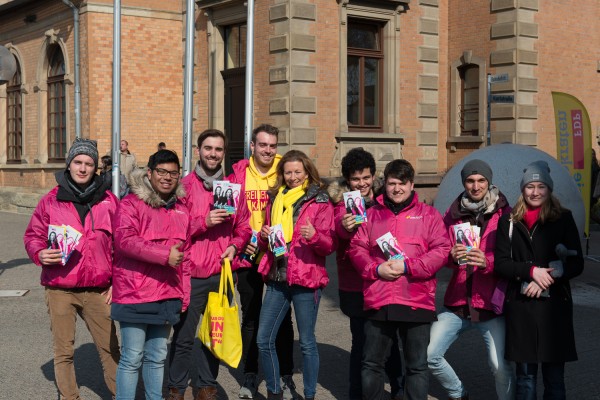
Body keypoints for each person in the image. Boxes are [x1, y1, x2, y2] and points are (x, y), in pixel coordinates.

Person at [23, 138, 120, 400]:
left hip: (99, 289)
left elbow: (120, 246)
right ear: (69, 165)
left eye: (89, 163)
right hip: (60, 288)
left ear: (96, 168)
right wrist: (39, 252)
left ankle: (121, 395)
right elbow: (33, 235)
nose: (83, 168)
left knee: (110, 349)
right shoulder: (50, 201)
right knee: (63, 352)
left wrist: (116, 282)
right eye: (78, 162)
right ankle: (69, 397)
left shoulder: (109, 201)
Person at [348, 159, 450, 400]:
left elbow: (442, 250)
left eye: (402, 183)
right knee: (371, 363)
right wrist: (376, 269)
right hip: (379, 298)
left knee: (416, 365)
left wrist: (408, 266)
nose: (397, 189)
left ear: (412, 185)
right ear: (385, 184)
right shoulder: (370, 214)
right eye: (392, 183)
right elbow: (356, 249)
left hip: (416, 298)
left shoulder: (429, 215)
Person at [166, 129, 251, 400]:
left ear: (223, 153)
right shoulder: (184, 187)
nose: (213, 154)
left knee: (215, 334)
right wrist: (204, 222)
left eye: (218, 149)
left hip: (221, 272)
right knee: (184, 336)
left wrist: (235, 246)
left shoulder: (231, 188)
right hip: (191, 273)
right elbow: (173, 229)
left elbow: (244, 226)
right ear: (199, 150)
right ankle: (176, 387)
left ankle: (206, 385)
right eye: (208, 148)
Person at [494, 161, 584, 400]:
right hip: (522, 309)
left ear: (549, 189)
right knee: (525, 378)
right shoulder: (509, 221)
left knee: (555, 379)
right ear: (522, 190)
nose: (535, 192)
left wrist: (547, 277)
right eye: (530, 186)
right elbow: (501, 264)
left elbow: (577, 263)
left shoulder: (563, 219)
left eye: (541, 186)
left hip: (555, 310)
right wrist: (531, 271)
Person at [427, 159, 515, 400]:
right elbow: (440, 250)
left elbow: (515, 257)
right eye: (470, 180)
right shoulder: (453, 213)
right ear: (464, 183)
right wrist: (450, 257)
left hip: (491, 305)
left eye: (481, 180)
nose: (476, 186)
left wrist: (488, 262)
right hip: (458, 303)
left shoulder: (506, 214)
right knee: (430, 355)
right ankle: (459, 394)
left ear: (489, 182)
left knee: (499, 367)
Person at [256, 150, 336, 400]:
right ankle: (275, 391)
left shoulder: (320, 200)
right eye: (288, 172)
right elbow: (264, 241)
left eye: (297, 172)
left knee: (307, 343)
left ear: (307, 172)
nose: (292, 177)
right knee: (263, 339)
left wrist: (315, 236)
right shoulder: (275, 197)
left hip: (306, 279)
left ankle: (309, 394)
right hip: (278, 277)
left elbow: (329, 245)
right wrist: (263, 234)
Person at [111, 150, 191, 400]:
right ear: (150, 173)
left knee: (157, 356)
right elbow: (125, 240)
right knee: (132, 357)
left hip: (167, 293)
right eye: (162, 172)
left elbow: (184, 258)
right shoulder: (130, 203)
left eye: (173, 173)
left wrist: (184, 295)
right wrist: (163, 254)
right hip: (135, 292)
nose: (167, 177)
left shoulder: (181, 209)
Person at [327, 147, 404, 400]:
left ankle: (399, 390)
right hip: (355, 285)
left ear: (374, 176)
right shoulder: (341, 204)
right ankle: (357, 394)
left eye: (366, 177)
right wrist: (345, 227)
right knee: (360, 344)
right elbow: (336, 230)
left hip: (385, 281)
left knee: (389, 342)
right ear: (347, 180)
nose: (361, 183)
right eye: (355, 179)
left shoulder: (386, 199)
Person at [227, 124, 297, 399]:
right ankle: (250, 372)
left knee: (283, 317)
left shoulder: (287, 170)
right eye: (263, 145)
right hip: (248, 253)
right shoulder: (238, 174)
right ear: (252, 146)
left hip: (278, 252)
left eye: (272, 145)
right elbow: (228, 212)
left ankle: (285, 373)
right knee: (252, 315)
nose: (268, 150)